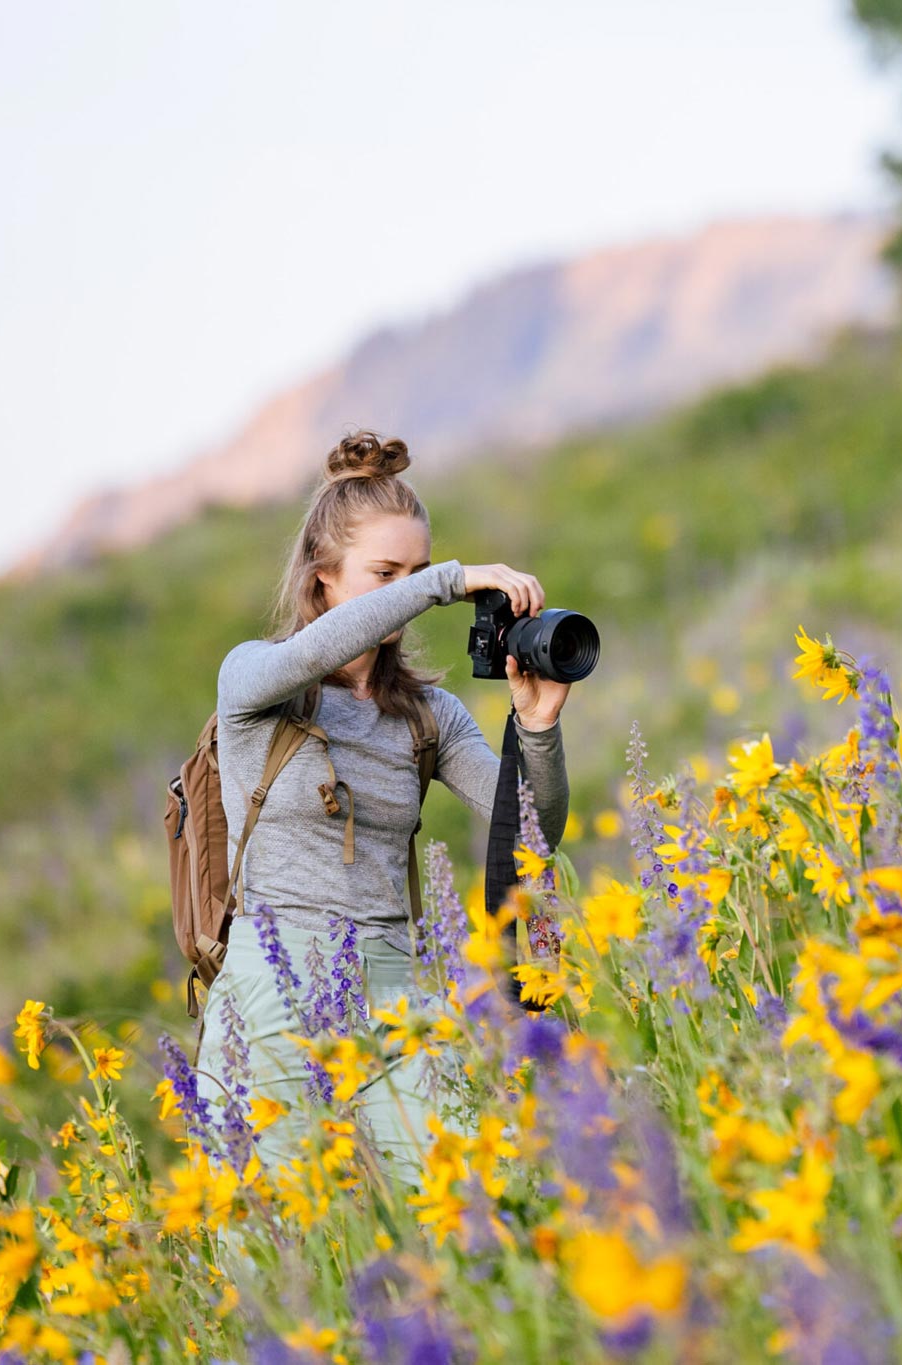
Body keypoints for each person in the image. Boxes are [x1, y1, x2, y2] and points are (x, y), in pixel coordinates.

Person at [191, 429, 570, 1188]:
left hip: (395, 990)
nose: (409, 589)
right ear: (324, 578)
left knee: (489, 1189)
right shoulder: (255, 682)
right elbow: (313, 655)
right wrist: (449, 580)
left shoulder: (428, 716)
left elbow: (528, 827)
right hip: (271, 989)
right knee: (275, 1242)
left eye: (417, 570)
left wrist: (539, 725)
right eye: (385, 572)